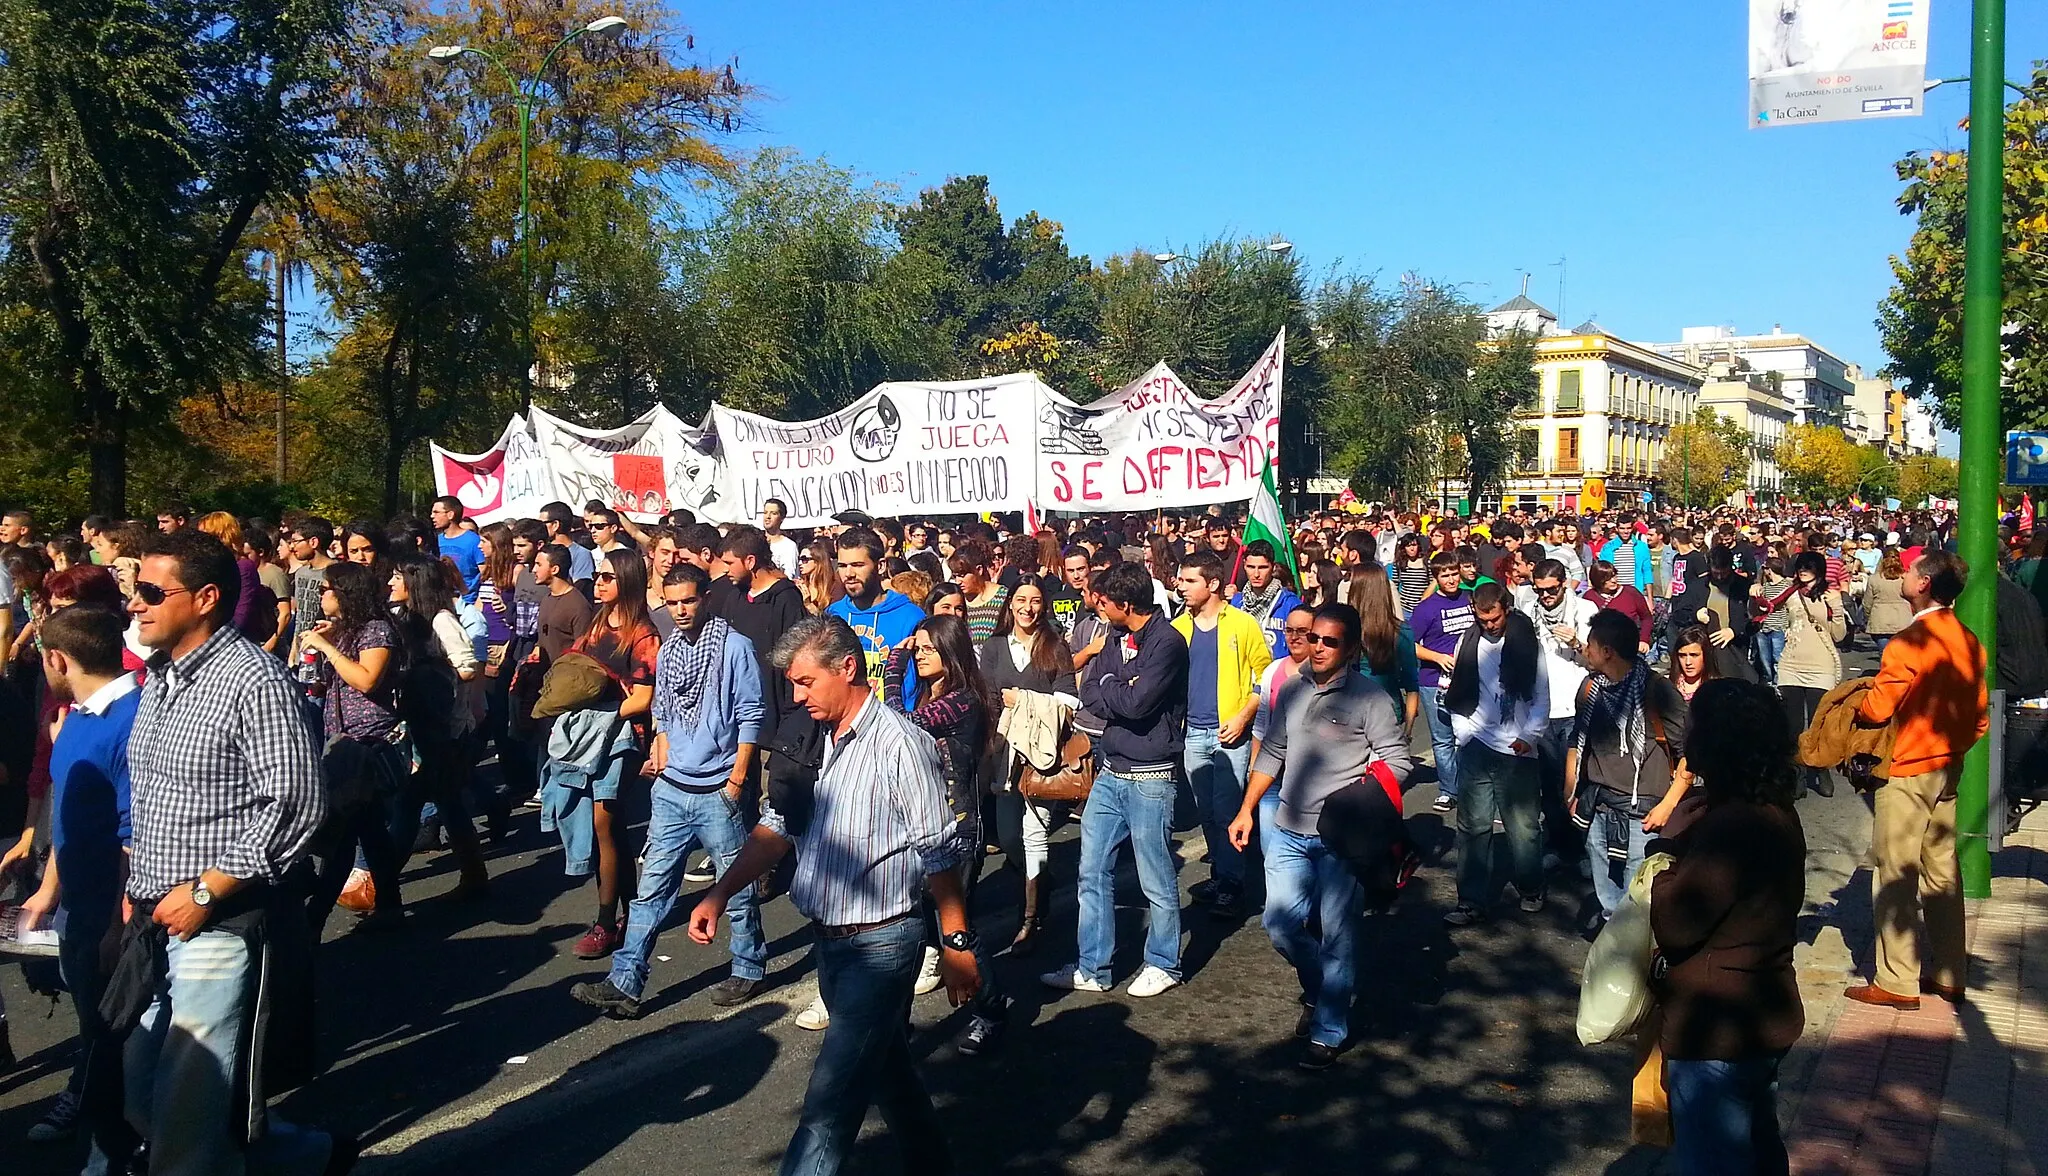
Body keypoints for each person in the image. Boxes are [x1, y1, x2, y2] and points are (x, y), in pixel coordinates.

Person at [686, 614, 978, 1176]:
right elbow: (776, 828)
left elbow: (941, 853)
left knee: (828, 1108)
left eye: (805, 682)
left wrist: (957, 943)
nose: (797, 696)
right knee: (891, 1076)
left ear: (848, 669)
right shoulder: (809, 737)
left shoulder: (900, 745)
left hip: (883, 945)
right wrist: (719, 893)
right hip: (832, 944)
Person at [119, 529, 349, 1174]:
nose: (134, 604)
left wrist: (206, 890)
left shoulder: (253, 681)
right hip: (154, 915)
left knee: (186, 1116)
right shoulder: (161, 679)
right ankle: (303, 1155)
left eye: (149, 592)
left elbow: (298, 802)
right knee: (138, 1090)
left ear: (206, 598)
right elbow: (158, 798)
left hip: (219, 925)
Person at [573, 563, 767, 1018]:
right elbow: (661, 707)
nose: (680, 610)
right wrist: (660, 753)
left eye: (689, 600)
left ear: (705, 599)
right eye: (673, 601)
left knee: (735, 887)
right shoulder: (673, 648)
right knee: (652, 889)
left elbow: (752, 716)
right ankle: (625, 982)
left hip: (718, 789)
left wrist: (737, 781)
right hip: (672, 789)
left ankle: (749, 966)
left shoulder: (735, 648)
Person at [1232, 602, 1413, 1069]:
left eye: (1329, 642)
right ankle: (1319, 992)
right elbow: (1272, 751)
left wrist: (1360, 796)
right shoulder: (1291, 691)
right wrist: (1247, 810)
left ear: (1350, 649)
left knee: (1337, 934)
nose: (1317, 647)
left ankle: (1330, 1028)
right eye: (1314, 638)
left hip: (1340, 840)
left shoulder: (1370, 698)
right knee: (1280, 925)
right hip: (1288, 830)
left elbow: (1399, 760)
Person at [1651, 678, 1806, 1176]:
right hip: (1763, 1013)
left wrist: (1667, 857)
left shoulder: (1730, 826)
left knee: (1715, 1160)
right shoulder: (1776, 812)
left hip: (1716, 1030)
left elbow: (1677, 924)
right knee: (1759, 1150)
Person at [16, 603, 135, 1157]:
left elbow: (134, 830)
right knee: (95, 1023)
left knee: (115, 1034)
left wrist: (123, 912)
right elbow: (73, 813)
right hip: (79, 906)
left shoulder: (131, 719)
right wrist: (49, 889)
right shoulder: (79, 718)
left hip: (112, 912)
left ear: (57, 658)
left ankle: (111, 1148)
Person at [1845, 551, 1987, 1010]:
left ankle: (1898, 979)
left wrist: (1859, 705)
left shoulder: (1908, 643)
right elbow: (1980, 717)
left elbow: (1878, 708)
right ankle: (1950, 971)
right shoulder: (1967, 639)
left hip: (1908, 766)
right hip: (1949, 764)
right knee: (1942, 868)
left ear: (1924, 583)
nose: (1903, 575)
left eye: (1910, 571)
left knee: (1896, 870)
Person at [1043, 561, 1189, 998]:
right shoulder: (1114, 637)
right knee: (1091, 871)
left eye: (1104, 601)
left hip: (1151, 776)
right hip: (1110, 769)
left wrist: (1115, 687)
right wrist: (1117, 685)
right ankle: (1094, 965)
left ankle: (1164, 962)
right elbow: (1092, 690)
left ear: (1126, 603)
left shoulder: (1168, 643)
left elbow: (1140, 704)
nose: (1098, 606)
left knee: (1155, 877)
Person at [881, 614, 1011, 1055]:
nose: (917, 656)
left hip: (956, 830)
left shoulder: (963, 702)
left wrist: (893, 667)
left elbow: (898, 724)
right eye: (914, 648)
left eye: (925, 649)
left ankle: (990, 1012)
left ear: (949, 654)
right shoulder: (943, 694)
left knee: (956, 932)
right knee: (915, 930)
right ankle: (896, 1024)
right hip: (925, 826)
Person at [554, 548, 661, 960]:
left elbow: (642, 699)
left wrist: (597, 713)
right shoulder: (598, 624)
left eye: (606, 578)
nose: (597, 584)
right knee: (609, 832)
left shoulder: (644, 635)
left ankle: (604, 923)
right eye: (597, 577)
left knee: (604, 823)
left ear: (627, 582)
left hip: (623, 738)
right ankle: (630, 912)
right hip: (593, 736)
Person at [296, 561, 409, 932]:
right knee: (369, 829)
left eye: (328, 589)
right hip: (343, 738)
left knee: (343, 834)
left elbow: (367, 680)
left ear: (346, 593)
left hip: (369, 741)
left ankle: (314, 920)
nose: (322, 596)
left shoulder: (376, 631)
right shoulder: (346, 630)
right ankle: (389, 905)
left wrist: (328, 648)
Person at [1567, 608, 1691, 923]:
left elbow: (1690, 752)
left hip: (1643, 815)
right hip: (1598, 807)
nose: (1586, 650)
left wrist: (1667, 805)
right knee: (1608, 895)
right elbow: (1578, 741)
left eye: (1590, 645)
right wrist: (1571, 792)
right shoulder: (1589, 688)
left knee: (1640, 900)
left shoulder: (1656, 691)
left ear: (1607, 652)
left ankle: (1638, 960)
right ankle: (1613, 953)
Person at [979, 580, 1078, 955]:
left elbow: (1068, 699)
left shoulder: (1055, 646)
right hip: (1004, 755)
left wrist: (1023, 699)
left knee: (1035, 835)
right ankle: (1042, 882)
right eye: (1021, 600)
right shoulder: (993, 647)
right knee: (1008, 838)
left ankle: (1031, 919)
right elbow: (987, 697)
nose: (1028, 607)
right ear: (1010, 605)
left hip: (1042, 758)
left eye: (1036, 601)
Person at [1442, 582, 1550, 926]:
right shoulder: (1468, 640)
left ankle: (1531, 887)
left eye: (1494, 619)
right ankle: (1470, 900)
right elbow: (1458, 686)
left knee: (1523, 828)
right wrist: (1464, 732)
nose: (1488, 626)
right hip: (1477, 743)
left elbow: (1541, 695)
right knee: (1473, 827)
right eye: (1482, 619)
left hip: (1517, 747)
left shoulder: (1529, 643)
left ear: (1507, 609)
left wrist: (1529, 735)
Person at [1172, 549, 1271, 917]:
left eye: (1188, 580)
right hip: (1192, 733)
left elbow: (1266, 675)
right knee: (1207, 812)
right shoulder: (1178, 628)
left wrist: (1245, 716)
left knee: (1228, 808)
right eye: (1181, 580)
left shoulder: (1242, 624)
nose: (1180, 587)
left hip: (1231, 732)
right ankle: (1220, 872)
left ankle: (1232, 882)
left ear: (1212, 584)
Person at [1409, 551, 1475, 813]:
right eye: (1444, 575)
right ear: (1435, 578)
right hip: (1434, 681)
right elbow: (1408, 645)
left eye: (1454, 573)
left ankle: (1470, 786)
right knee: (1442, 737)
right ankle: (1449, 790)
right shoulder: (1426, 609)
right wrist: (1437, 657)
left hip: (1470, 678)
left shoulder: (1469, 599)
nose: (1451, 579)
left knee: (1469, 735)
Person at [1777, 551, 1846, 800]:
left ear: (1819, 569)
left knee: (1819, 723)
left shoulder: (1831, 594)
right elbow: (1767, 610)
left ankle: (1820, 768)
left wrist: (1836, 609)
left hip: (1821, 666)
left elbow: (1839, 634)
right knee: (1793, 726)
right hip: (1791, 664)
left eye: (1808, 567)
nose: (1802, 571)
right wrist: (1755, 592)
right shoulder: (1791, 592)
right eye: (1800, 567)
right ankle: (1798, 775)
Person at [827, 528, 924, 699]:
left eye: (858, 565)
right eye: (842, 566)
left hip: (894, 719)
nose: (849, 574)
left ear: (880, 566)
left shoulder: (911, 617)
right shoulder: (833, 615)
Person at [1234, 539, 1303, 659]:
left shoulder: (1290, 603)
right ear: (1244, 565)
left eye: (1262, 567)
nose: (1256, 574)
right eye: (1251, 567)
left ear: (1273, 567)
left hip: (1277, 673)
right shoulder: (1237, 602)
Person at [1584, 559, 1651, 655]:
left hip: (1630, 648)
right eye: (1607, 578)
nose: (1614, 580)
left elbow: (1646, 618)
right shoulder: (1589, 597)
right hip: (1603, 651)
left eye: (1614, 576)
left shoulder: (1631, 592)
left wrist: (1643, 640)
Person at [950, 539, 1009, 642]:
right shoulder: (957, 601)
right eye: (955, 576)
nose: (958, 581)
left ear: (979, 570)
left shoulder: (1003, 598)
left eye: (962, 575)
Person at [430, 496, 484, 602]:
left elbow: (485, 572)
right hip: (443, 602)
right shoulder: (436, 541)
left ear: (450, 514)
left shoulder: (473, 541)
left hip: (468, 602)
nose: (432, 516)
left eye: (436, 512)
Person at [1860, 549, 1912, 654]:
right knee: (1902, 654)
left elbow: (1867, 603)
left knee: (1885, 654)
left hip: (1880, 619)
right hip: (1903, 620)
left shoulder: (1874, 579)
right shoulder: (1906, 578)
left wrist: (1868, 617)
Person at [761, 497, 801, 577]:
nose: (768, 516)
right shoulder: (756, 541)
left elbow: (789, 576)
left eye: (773, 513)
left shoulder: (788, 546)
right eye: (765, 512)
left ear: (782, 518)